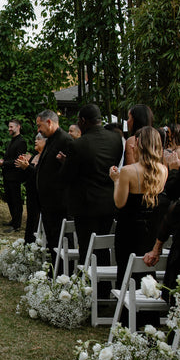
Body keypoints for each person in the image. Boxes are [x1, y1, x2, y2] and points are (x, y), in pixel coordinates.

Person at [60, 103, 124, 263]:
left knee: (87, 249)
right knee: (103, 247)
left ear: (83, 121)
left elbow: (66, 175)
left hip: (85, 204)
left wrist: (64, 163)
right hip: (109, 202)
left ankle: (89, 284)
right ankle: (103, 285)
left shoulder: (78, 144)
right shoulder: (116, 140)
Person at [109, 126, 168, 287]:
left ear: (141, 145)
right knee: (147, 271)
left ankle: (127, 309)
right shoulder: (163, 170)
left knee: (126, 271)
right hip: (151, 232)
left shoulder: (128, 171)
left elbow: (119, 203)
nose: (133, 146)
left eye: (135, 143)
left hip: (128, 232)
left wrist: (116, 181)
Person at [34, 110, 73, 257]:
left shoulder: (65, 140)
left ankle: (62, 272)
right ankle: (53, 270)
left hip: (59, 203)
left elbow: (71, 171)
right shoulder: (50, 139)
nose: (38, 130)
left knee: (60, 240)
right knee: (51, 240)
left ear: (49, 122)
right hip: (48, 202)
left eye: (40, 125)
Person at [0, 119, 27, 232]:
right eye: (9, 127)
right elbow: (10, 157)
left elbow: (18, 160)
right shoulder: (12, 141)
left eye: (11, 127)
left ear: (18, 127)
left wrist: (4, 163)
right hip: (8, 175)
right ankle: (13, 220)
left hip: (15, 176)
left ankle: (17, 224)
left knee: (16, 200)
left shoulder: (21, 142)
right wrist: (3, 161)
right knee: (9, 199)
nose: (9, 129)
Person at [15, 133, 46, 244]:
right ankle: (28, 244)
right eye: (35, 138)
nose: (35, 141)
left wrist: (28, 167)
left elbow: (41, 175)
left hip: (41, 195)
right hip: (31, 194)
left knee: (38, 221)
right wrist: (22, 166)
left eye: (39, 139)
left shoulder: (45, 157)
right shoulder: (34, 156)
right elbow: (25, 177)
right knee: (31, 220)